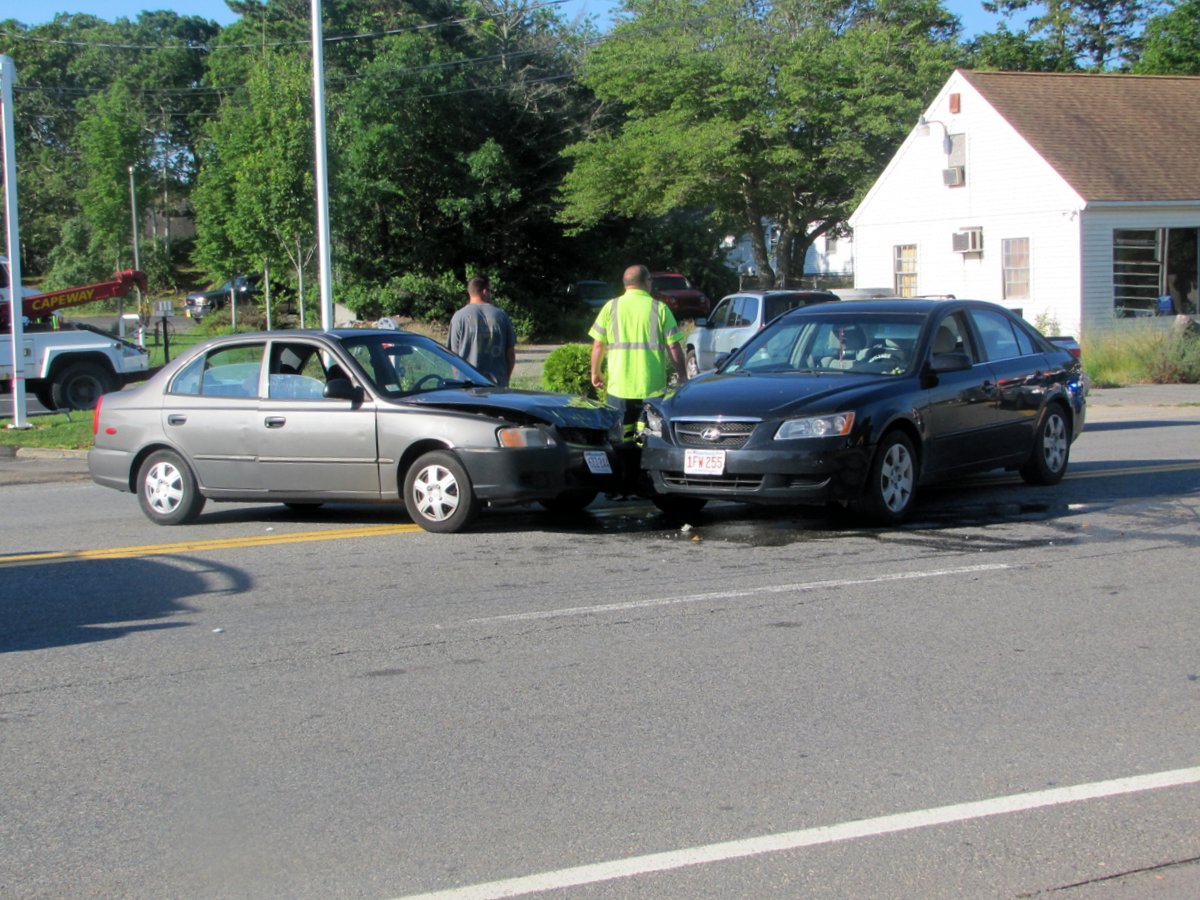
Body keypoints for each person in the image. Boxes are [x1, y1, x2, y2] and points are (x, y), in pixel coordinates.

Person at [589, 264, 688, 491]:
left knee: (619, 438)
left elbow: (598, 344)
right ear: (647, 282)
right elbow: (673, 346)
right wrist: (682, 374)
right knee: (647, 436)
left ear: (626, 284)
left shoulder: (611, 307)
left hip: (619, 386)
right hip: (651, 387)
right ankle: (646, 484)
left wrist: (595, 371)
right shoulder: (658, 309)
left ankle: (622, 484)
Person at [449, 275, 517, 386]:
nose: (491, 294)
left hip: (467, 385)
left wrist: (459, 380)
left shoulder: (459, 317)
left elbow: (453, 356)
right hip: (496, 384)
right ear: (484, 291)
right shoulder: (501, 315)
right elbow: (510, 354)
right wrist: (505, 380)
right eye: (491, 291)